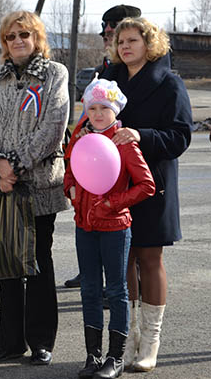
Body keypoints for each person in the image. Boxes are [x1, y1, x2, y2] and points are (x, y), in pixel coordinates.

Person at [0, 10, 69, 366]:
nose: (18, 42)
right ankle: (10, 341)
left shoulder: (54, 74)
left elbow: (54, 124)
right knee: (7, 262)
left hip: (37, 185)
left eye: (25, 35)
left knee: (38, 261)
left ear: (37, 38)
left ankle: (41, 340)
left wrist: (16, 165)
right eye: (11, 36)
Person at [97, 17, 192, 372]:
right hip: (114, 184)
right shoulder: (108, 83)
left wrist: (142, 135)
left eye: (133, 40)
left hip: (154, 184)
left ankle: (151, 341)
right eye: (120, 41)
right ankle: (128, 338)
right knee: (123, 261)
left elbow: (181, 137)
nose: (125, 46)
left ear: (149, 44)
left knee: (149, 259)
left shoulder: (170, 83)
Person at [64, 78, 155, 379]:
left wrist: (114, 203)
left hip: (115, 226)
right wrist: (71, 189)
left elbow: (147, 185)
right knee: (89, 290)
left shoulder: (123, 142)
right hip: (84, 225)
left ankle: (115, 358)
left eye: (105, 107)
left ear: (115, 109)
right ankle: (93, 356)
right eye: (92, 107)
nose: (99, 113)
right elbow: (70, 171)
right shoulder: (81, 138)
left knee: (115, 290)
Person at [65, 4, 141, 290]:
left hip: (125, 152)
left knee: (127, 237)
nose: (110, 33)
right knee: (90, 221)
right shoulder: (106, 68)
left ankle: (122, 285)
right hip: (97, 155)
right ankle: (91, 274)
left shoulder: (139, 68)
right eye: (107, 29)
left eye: (117, 28)